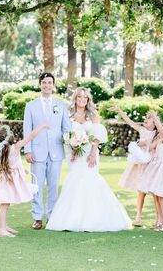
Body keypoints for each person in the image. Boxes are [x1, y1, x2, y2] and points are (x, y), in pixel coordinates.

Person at [46, 87, 131, 232]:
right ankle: (72, 219)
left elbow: (97, 135)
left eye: (85, 97)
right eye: (79, 97)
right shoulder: (69, 115)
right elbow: (66, 134)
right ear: (75, 98)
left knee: (90, 179)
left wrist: (92, 153)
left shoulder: (93, 114)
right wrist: (72, 148)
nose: (82, 100)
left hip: (89, 153)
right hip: (73, 154)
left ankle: (93, 219)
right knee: (75, 180)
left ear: (88, 100)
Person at [23, 72, 71, 230]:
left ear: (53, 85)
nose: (47, 85)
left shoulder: (61, 104)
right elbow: (27, 129)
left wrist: (72, 143)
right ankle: (37, 218)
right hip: (37, 153)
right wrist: (28, 150)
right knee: (36, 186)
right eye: (44, 82)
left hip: (56, 152)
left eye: (49, 82)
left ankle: (52, 216)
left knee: (53, 186)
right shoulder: (31, 106)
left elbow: (67, 128)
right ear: (39, 85)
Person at [0, 123, 49, 237]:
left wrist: (23, 170)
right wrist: (41, 126)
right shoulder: (16, 146)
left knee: (5, 203)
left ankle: (4, 226)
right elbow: (31, 136)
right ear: (11, 137)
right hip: (8, 180)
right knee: (4, 204)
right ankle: (2, 230)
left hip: (4, 179)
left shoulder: (2, 150)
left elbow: (9, 165)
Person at [108, 107, 159, 227]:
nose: (146, 119)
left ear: (155, 122)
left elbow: (153, 146)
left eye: (149, 118)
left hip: (152, 163)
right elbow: (129, 121)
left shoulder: (157, 133)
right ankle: (138, 217)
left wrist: (144, 143)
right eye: (146, 117)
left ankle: (159, 219)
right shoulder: (141, 128)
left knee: (155, 192)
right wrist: (120, 111)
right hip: (141, 162)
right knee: (141, 191)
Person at [138, 113, 163, 231]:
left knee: (161, 197)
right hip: (156, 167)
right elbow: (150, 147)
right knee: (156, 196)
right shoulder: (160, 139)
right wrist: (142, 143)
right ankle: (159, 221)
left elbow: (160, 129)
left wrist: (154, 117)